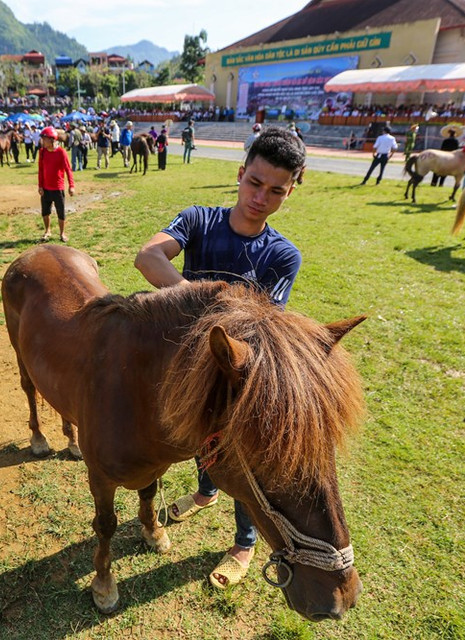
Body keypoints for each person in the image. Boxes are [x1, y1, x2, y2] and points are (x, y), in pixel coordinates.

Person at [134, 128, 305, 590]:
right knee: (196, 440)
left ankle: (244, 543)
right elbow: (148, 257)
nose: (260, 197)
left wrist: (199, 315)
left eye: (276, 190)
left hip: (237, 376)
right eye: (254, 182)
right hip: (190, 366)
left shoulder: (282, 255)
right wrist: (199, 297)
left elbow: (262, 329)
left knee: (244, 459)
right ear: (239, 173)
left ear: (292, 189)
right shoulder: (199, 220)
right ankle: (206, 493)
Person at [37, 126, 75, 243]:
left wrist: (71, 185)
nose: (42, 141)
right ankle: (47, 230)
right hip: (46, 188)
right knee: (45, 211)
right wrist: (40, 186)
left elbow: (68, 169)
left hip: (58, 188)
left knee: (60, 211)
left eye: (44, 139)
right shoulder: (42, 152)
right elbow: (41, 170)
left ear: (52, 139)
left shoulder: (61, 152)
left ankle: (62, 233)